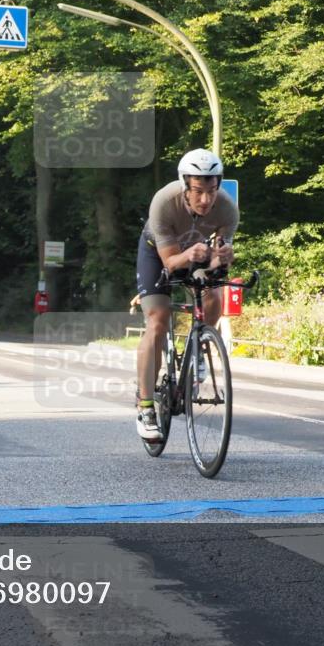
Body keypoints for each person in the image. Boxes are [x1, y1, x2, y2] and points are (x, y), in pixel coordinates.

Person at [135, 148, 239, 441]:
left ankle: (200, 351)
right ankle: (145, 407)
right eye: (198, 191)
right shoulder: (164, 203)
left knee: (214, 296)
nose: (206, 200)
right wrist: (190, 254)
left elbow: (218, 260)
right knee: (158, 319)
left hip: (198, 252)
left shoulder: (228, 209)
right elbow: (170, 263)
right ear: (185, 186)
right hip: (158, 254)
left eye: (211, 191)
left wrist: (223, 257)